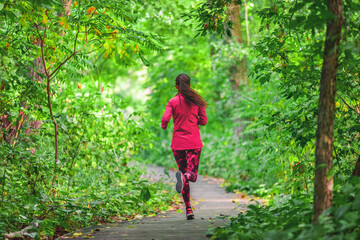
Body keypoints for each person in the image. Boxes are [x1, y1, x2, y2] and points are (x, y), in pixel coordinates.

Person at [161, 73, 207, 220]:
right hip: (193, 142)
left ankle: (188, 209)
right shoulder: (197, 101)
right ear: (189, 85)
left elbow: (165, 118)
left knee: (184, 174)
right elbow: (204, 121)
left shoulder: (172, 101)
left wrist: (164, 125)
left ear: (176, 86)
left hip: (178, 143)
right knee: (191, 175)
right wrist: (194, 120)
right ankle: (183, 177)